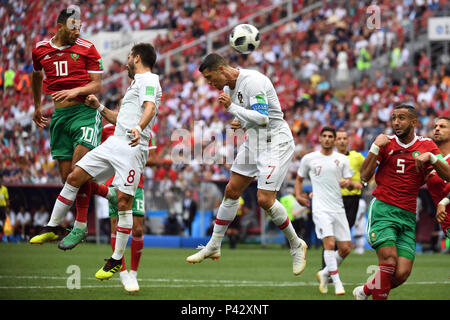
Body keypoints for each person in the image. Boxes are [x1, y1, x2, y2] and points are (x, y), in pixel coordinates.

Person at [40, 42, 160, 281]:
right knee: (75, 176)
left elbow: (150, 107)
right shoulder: (136, 84)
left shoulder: (149, 80)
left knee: (124, 203)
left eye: (128, 57)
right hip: (115, 143)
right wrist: (100, 107)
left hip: (132, 149)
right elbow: (122, 120)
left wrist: (138, 127)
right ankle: (54, 226)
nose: (126, 61)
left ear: (136, 58)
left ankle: (116, 260)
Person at [186, 53, 307, 276]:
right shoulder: (228, 89)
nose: (211, 84)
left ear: (222, 69)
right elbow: (249, 118)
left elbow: (263, 119)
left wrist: (233, 109)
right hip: (254, 142)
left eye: (211, 78)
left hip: (275, 143)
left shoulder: (253, 82)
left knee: (264, 200)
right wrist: (239, 121)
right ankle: (214, 245)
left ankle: (296, 243)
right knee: (231, 190)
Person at [30, 7, 112, 250]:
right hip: (59, 117)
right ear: (60, 26)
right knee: (69, 179)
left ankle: (73, 226)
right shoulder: (40, 50)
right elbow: (36, 75)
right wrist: (37, 105)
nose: (77, 32)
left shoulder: (87, 49)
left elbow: (97, 85)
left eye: (80, 27)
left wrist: (75, 91)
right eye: (73, 27)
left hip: (84, 114)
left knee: (78, 171)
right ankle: (110, 195)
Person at [353, 105, 450, 300]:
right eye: (394, 118)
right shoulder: (386, 144)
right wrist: (374, 146)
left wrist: (431, 157)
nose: (396, 122)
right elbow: (364, 176)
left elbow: (447, 174)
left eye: (402, 118)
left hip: (407, 214)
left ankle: (364, 291)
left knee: (401, 274)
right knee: (388, 261)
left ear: (414, 122)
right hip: (383, 208)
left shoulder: (427, 145)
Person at [295, 126, 355, 295]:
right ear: (319, 139)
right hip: (320, 208)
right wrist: (299, 195)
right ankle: (337, 283)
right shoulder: (309, 158)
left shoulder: (342, 159)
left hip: (338, 207)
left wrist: (347, 183)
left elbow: (349, 180)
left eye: (330, 136)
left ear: (334, 140)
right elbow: (299, 179)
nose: (327, 139)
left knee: (345, 249)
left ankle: (325, 273)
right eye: (324, 136)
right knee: (329, 244)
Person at [99, 121, 157, 292]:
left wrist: (134, 155)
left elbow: (153, 159)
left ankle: (134, 273)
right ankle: (122, 271)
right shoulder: (107, 130)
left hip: (135, 182)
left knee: (138, 229)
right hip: (114, 182)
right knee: (115, 225)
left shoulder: (145, 131)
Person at [425, 117, 450, 239]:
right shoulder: (428, 160)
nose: (437, 129)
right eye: (435, 127)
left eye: (442, 126)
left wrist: (444, 201)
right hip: (446, 221)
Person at [0, 174, 9, 238]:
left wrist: (7, 207)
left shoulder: (4, 189)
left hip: (3, 206)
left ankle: (3, 234)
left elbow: (7, 199)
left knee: (4, 221)